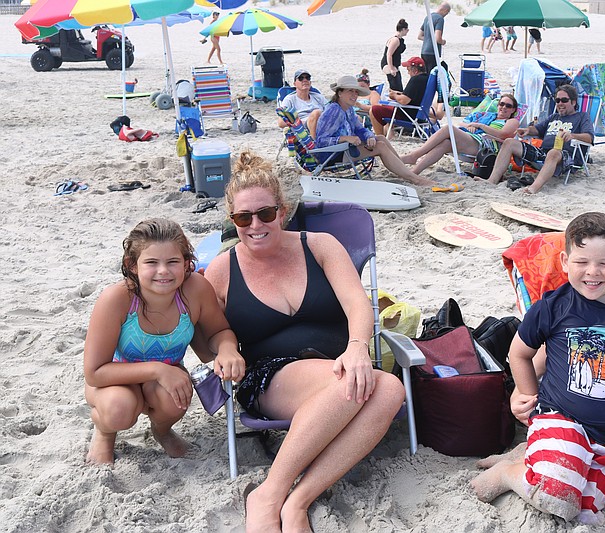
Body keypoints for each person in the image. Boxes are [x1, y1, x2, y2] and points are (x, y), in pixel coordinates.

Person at [201, 151, 407, 532]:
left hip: (342, 360)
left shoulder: (320, 246)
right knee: (361, 385)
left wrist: (358, 346)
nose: (255, 225)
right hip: (271, 375)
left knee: (392, 388)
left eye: (265, 213)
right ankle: (270, 494)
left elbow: (358, 306)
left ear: (283, 210)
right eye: (243, 218)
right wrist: (225, 350)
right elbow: (205, 335)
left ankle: (296, 498)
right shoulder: (222, 270)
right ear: (233, 221)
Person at [470, 212, 605, 525]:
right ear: (565, 261)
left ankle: (527, 454)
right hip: (562, 419)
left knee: (584, 511)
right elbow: (518, 353)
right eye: (581, 262)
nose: (592, 272)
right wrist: (527, 393)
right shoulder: (553, 307)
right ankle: (507, 473)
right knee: (556, 496)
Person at [83, 219, 245, 465]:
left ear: (186, 263)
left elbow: (218, 331)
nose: (163, 271)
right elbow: (94, 372)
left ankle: (162, 431)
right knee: (118, 408)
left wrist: (227, 349)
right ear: (132, 265)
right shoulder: (117, 299)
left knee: (175, 399)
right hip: (115, 378)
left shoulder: (195, 290)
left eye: (172, 262)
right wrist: (158, 370)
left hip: (165, 380)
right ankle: (104, 434)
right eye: (151, 262)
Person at [316, 75, 436, 186]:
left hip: (346, 149)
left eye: (356, 91)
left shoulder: (348, 109)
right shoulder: (333, 111)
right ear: (340, 93)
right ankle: (415, 178)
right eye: (350, 91)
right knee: (380, 147)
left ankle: (401, 169)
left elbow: (360, 129)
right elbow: (321, 141)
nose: (354, 95)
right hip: (332, 155)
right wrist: (345, 138)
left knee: (380, 138)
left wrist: (369, 136)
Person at [486, 84, 593, 193]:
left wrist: (572, 136)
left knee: (553, 153)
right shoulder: (553, 117)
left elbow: (589, 137)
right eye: (557, 100)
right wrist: (528, 130)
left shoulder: (582, 117)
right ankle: (492, 180)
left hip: (567, 158)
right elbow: (537, 130)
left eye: (564, 100)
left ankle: (533, 188)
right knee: (509, 142)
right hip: (543, 154)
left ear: (573, 102)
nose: (560, 103)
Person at [400, 93, 521, 175]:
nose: (504, 107)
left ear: (513, 110)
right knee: (445, 144)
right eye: (501, 104)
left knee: (448, 128)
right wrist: (471, 125)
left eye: (508, 106)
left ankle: (414, 156)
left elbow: (503, 134)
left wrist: (480, 126)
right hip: (471, 138)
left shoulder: (511, 121)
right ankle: (415, 172)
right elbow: (463, 123)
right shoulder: (486, 115)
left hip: (486, 147)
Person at [369, 56, 429, 139]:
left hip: (407, 115)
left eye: (408, 70)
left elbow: (404, 100)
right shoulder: (426, 79)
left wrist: (394, 95)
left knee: (374, 110)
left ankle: (380, 137)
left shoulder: (415, 80)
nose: (408, 73)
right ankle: (387, 135)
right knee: (384, 108)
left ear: (415, 70)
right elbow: (414, 95)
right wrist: (399, 94)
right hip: (419, 114)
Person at [276, 69, 327, 139]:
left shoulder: (318, 97)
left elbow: (331, 111)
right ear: (295, 84)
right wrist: (304, 123)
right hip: (302, 129)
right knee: (316, 113)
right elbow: (281, 123)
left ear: (310, 82)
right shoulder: (290, 100)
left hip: (324, 126)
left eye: (307, 78)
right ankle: (314, 143)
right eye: (301, 78)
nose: (305, 80)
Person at [418, 2, 450, 73]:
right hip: (433, 51)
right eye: (447, 13)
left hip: (424, 51)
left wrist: (428, 39)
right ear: (445, 10)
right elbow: (437, 38)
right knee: (432, 75)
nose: (446, 15)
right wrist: (443, 41)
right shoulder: (440, 19)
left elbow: (419, 36)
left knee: (426, 74)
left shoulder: (428, 17)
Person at [381, 19, 409, 92]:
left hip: (395, 64)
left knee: (398, 84)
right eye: (407, 29)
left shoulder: (400, 40)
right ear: (403, 29)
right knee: (395, 85)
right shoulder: (395, 40)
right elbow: (389, 54)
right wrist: (391, 68)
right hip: (388, 63)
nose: (408, 31)